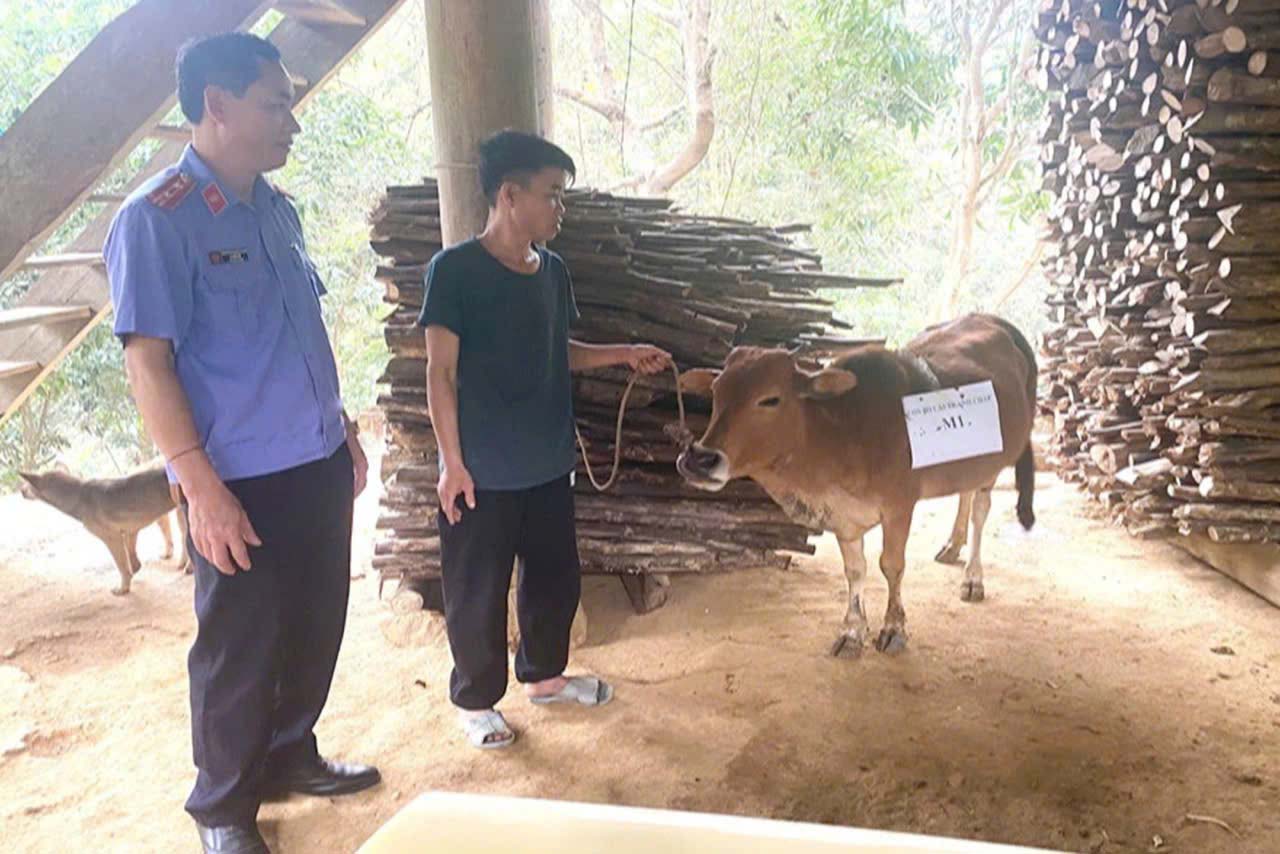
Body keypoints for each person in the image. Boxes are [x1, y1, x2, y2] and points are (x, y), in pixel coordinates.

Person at [104, 33, 378, 854]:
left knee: (315, 623)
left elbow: (299, 332)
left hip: (316, 462)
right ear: (216, 106)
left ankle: (291, 754)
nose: (291, 120)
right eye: (275, 103)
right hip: (239, 483)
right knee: (238, 650)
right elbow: (148, 365)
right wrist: (199, 486)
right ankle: (223, 811)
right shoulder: (157, 221)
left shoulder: (274, 209)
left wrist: (345, 433)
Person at [421, 130, 671, 749]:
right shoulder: (454, 271)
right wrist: (452, 464)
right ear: (510, 195)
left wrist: (624, 354)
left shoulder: (552, 272)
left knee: (554, 579)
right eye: (552, 194)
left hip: (547, 461)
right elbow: (440, 371)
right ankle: (478, 702)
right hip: (480, 470)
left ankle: (545, 679)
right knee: (477, 589)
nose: (560, 207)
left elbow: (558, 349)